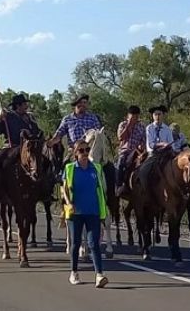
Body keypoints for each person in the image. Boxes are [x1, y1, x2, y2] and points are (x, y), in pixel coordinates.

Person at [62, 140, 109, 288]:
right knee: (76, 243)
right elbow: (64, 189)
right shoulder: (70, 168)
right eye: (81, 150)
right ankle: (74, 272)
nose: (84, 153)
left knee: (94, 244)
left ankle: (99, 275)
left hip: (93, 211)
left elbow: (101, 189)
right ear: (76, 153)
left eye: (87, 150)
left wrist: (104, 211)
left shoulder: (96, 168)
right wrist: (69, 203)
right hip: (76, 213)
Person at [0, 93, 42, 201]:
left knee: (45, 160)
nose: (26, 106)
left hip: (29, 147)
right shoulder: (8, 117)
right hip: (12, 146)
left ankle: (45, 190)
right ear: (18, 106)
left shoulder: (30, 117)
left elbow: (37, 131)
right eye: (24, 104)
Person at [115, 105, 146, 196]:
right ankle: (119, 185)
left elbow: (144, 140)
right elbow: (121, 137)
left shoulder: (141, 127)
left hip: (137, 152)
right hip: (125, 151)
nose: (135, 118)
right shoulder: (123, 124)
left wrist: (142, 145)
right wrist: (128, 125)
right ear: (128, 115)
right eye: (132, 116)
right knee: (120, 164)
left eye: (136, 116)